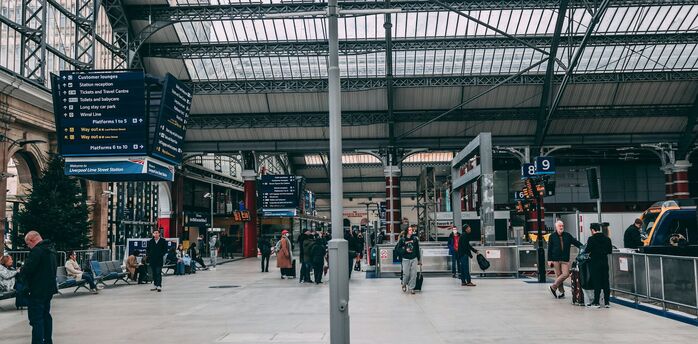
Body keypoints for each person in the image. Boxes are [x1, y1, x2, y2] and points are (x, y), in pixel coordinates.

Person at [18, 231, 58, 344]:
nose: (28, 247)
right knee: (46, 316)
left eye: (27, 244)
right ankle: (48, 341)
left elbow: (27, 270)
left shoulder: (37, 251)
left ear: (31, 240)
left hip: (36, 291)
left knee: (36, 320)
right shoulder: (51, 250)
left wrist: (22, 272)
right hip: (48, 289)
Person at [547, 220, 583, 298]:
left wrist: (583, 247)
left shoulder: (567, 235)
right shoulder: (552, 236)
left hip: (565, 259)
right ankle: (562, 292)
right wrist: (549, 260)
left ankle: (553, 287)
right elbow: (549, 248)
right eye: (559, 226)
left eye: (562, 226)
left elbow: (576, 242)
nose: (561, 227)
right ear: (556, 227)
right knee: (559, 276)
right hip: (555, 259)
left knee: (566, 274)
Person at [586, 223, 613, 308]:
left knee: (596, 282)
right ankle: (607, 302)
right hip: (604, 262)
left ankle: (596, 302)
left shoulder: (591, 239)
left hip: (594, 263)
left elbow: (587, 250)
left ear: (592, 230)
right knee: (605, 282)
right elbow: (609, 251)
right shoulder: (607, 239)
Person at [396, 225, 421, 294]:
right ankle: (404, 284)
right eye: (410, 230)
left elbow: (417, 250)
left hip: (414, 258)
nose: (411, 231)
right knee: (406, 274)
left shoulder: (415, 239)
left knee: (413, 274)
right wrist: (405, 250)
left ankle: (411, 288)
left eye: (412, 230)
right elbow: (398, 249)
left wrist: (419, 259)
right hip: (405, 259)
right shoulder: (402, 240)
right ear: (407, 231)